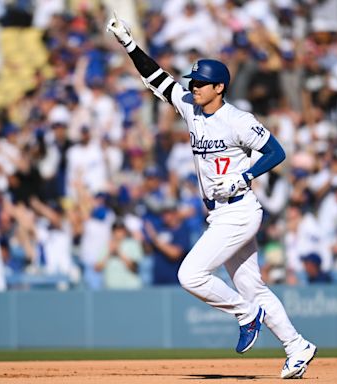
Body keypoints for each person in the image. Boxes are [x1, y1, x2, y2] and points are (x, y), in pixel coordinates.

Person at [107, 15, 317, 379]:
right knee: (253, 286)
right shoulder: (189, 106)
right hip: (219, 213)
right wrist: (129, 44)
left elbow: (276, 152)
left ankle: (245, 314)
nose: (195, 87)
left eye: (202, 83)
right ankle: (297, 346)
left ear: (220, 86)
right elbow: (156, 78)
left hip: (239, 210)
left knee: (190, 275)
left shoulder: (237, 119)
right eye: (194, 82)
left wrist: (244, 175)